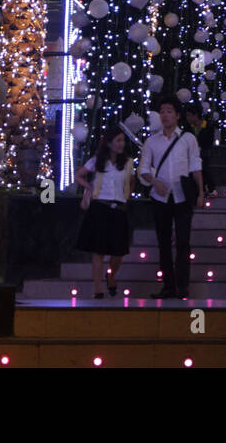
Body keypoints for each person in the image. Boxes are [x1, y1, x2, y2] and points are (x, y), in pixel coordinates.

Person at [138, 96, 203, 299]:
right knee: (163, 243)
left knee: (183, 242)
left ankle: (183, 286)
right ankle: (168, 286)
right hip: (160, 197)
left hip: (183, 196)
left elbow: (195, 166)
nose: (165, 115)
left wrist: (201, 192)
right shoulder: (152, 141)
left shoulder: (187, 138)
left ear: (176, 115)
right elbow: (143, 168)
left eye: (169, 111)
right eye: (162, 111)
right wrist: (154, 181)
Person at [76, 131, 136, 298]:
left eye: (122, 141)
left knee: (118, 252)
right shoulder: (97, 160)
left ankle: (111, 275)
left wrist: (128, 194)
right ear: (109, 143)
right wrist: (89, 187)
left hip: (118, 209)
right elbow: (79, 175)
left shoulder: (128, 163)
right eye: (118, 140)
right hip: (100, 206)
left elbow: (132, 181)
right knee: (98, 251)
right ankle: (98, 288)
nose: (121, 144)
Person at [185, 103, 218, 197]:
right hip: (191, 153)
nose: (188, 118)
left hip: (203, 152)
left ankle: (210, 188)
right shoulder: (188, 128)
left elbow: (209, 141)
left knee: (203, 167)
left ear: (196, 115)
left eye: (189, 115)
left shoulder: (207, 126)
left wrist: (200, 147)